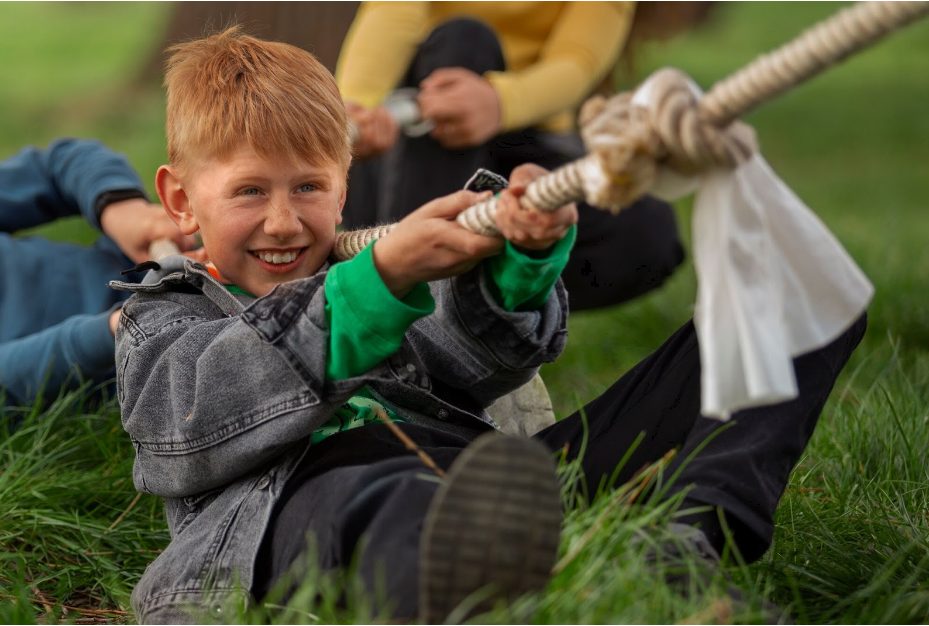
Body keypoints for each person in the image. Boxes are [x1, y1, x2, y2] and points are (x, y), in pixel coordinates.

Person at [112, 28, 866, 624]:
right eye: (249, 191)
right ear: (180, 200)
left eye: (308, 187)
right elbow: (190, 423)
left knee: (789, 308)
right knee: (394, 494)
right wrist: (376, 282)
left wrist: (519, 261)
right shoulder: (162, 314)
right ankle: (477, 580)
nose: (283, 220)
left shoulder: (369, 273)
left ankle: (680, 543)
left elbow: (473, 355)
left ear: (342, 190)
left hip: (497, 486)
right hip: (306, 517)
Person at [336, 1, 687, 311]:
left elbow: (576, 61)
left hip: (524, 132)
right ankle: (412, 312)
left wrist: (499, 102)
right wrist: (356, 107)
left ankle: (477, 312)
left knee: (648, 234)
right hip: (412, 135)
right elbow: (392, 10)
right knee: (466, 39)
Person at [0, 139, 192, 414]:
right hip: (138, 363)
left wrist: (122, 211)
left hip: (147, 262)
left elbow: (56, 164)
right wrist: (119, 327)